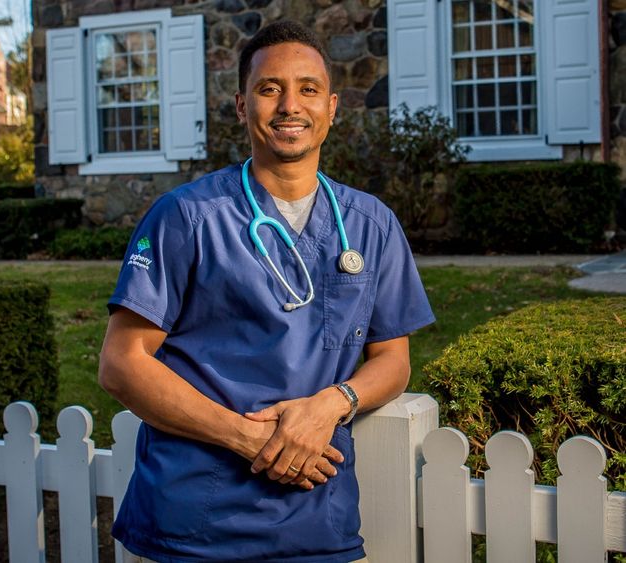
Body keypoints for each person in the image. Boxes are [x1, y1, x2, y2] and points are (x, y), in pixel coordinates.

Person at [99, 20, 435, 563]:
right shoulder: (186, 217)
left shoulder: (371, 224)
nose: (289, 106)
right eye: (269, 88)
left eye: (307, 89)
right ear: (240, 105)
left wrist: (333, 402)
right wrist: (246, 438)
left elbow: (393, 360)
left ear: (332, 107)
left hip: (316, 517)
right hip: (194, 522)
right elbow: (122, 363)